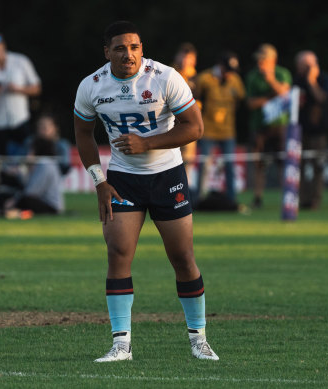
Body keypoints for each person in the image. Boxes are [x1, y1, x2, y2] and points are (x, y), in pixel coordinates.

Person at [74, 21, 218, 362]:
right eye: (121, 48)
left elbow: (195, 127)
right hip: (122, 178)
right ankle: (121, 345)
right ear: (107, 52)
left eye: (135, 47)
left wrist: (147, 143)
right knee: (118, 254)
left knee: (182, 258)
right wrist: (98, 180)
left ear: (142, 48)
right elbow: (83, 133)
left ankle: (198, 339)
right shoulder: (91, 86)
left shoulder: (165, 77)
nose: (129, 54)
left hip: (168, 176)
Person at [0, 31, 42, 187]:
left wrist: (19, 89)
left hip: (19, 120)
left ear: (3, 46)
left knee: (25, 159)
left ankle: (26, 191)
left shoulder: (20, 61)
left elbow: (36, 88)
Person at [246, 44, 292, 208]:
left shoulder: (282, 73)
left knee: (283, 163)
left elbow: (285, 95)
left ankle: (286, 197)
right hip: (259, 126)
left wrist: (271, 80)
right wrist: (270, 97)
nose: (260, 64)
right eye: (259, 60)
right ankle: (258, 198)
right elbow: (251, 103)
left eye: (263, 60)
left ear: (272, 60)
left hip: (279, 125)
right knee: (259, 164)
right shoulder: (252, 76)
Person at [196, 51, 246, 204]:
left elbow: (240, 100)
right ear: (220, 66)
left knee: (230, 165)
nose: (230, 74)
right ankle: (198, 199)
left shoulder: (235, 80)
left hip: (228, 130)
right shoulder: (205, 78)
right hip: (208, 130)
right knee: (204, 165)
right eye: (227, 70)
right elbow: (196, 100)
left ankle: (231, 199)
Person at [293, 51, 328, 210]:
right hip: (300, 130)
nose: (301, 68)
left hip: (319, 131)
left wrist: (311, 81)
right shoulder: (297, 80)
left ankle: (316, 200)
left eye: (305, 65)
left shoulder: (324, 78)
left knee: (318, 166)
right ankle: (303, 200)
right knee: (300, 167)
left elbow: (322, 98)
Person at [172, 43, 199, 180]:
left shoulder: (195, 78)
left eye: (188, 58)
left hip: (188, 126)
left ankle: (184, 192)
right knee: (170, 162)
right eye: (183, 57)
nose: (185, 61)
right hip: (171, 126)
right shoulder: (170, 74)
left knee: (187, 162)